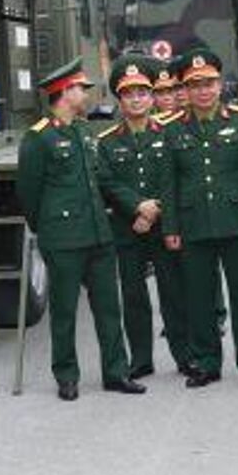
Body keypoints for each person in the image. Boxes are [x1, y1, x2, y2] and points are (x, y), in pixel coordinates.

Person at [16, 58, 139, 401]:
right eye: (80, 89)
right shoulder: (39, 138)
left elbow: (99, 178)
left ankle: (116, 372)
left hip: (99, 234)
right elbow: (28, 192)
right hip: (64, 238)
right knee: (65, 311)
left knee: (108, 308)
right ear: (65, 92)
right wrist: (49, 229)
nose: (85, 94)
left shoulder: (83, 132)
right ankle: (66, 376)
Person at [168, 48, 238, 389]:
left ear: (220, 83)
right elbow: (168, 183)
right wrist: (170, 227)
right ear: (185, 88)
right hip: (193, 223)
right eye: (195, 84)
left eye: (209, 82)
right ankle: (207, 362)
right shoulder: (173, 129)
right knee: (199, 299)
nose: (203, 90)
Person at [96, 54, 189, 379]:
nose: (136, 99)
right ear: (119, 99)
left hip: (165, 226)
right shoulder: (106, 142)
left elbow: (179, 177)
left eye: (142, 92)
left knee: (173, 294)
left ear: (152, 96)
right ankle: (141, 359)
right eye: (129, 94)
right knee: (134, 297)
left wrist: (154, 210)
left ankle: (184, 355)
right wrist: (138, 207)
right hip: (127, 226)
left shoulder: (171, 132)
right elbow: (106, 182)